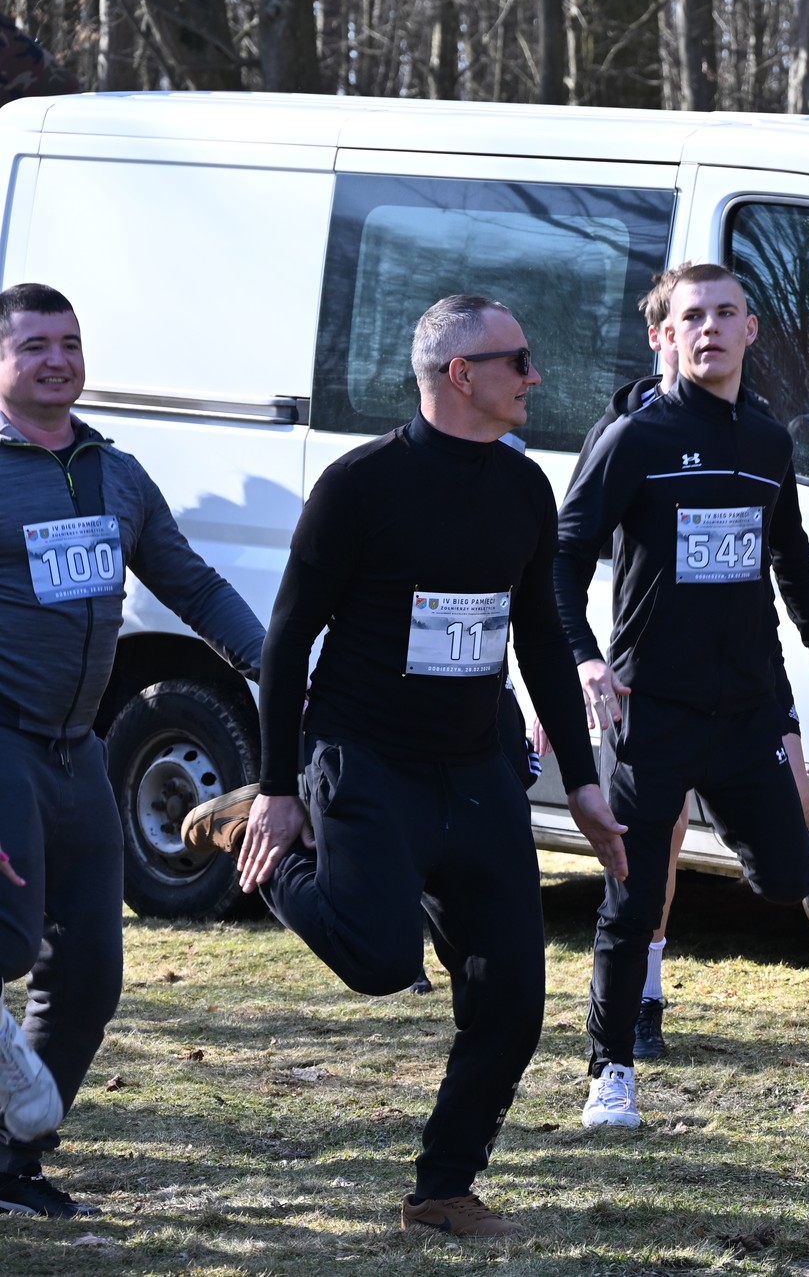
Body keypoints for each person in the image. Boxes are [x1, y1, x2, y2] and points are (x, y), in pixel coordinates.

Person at [197, 294, 626, 1238]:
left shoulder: (523, 490)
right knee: (380, 959)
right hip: (369, 760)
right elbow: (287, 640)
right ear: (461, 375)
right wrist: (275, 787)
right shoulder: (360, 486)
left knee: (511, 993)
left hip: (475, 769)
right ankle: (260, 840)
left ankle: (442, 1190)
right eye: (518, 360)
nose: (535, 376)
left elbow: (543, 642)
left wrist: (586, 782)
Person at [556, 261, 809, 1131]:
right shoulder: (636, 440)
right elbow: (561, 557)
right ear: (667, 334)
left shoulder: (768, 442)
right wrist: (582, 657)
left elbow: (790, 553)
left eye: (726, 314)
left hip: (748, 706)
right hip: (650, 707)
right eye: (693, 316)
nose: (710, 330)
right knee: (630, 892)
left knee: (785, 881)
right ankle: (609, 1073)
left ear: (751, 330)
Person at [0, 283, 265, 1217]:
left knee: (89, 974)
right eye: (34, 345)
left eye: (69, 342)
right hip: (1, 740)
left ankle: (10, 1162)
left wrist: (276, 663)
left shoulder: (116, 474)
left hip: (79, 751)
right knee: (2, 937)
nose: (58, 360)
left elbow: (191, 582)